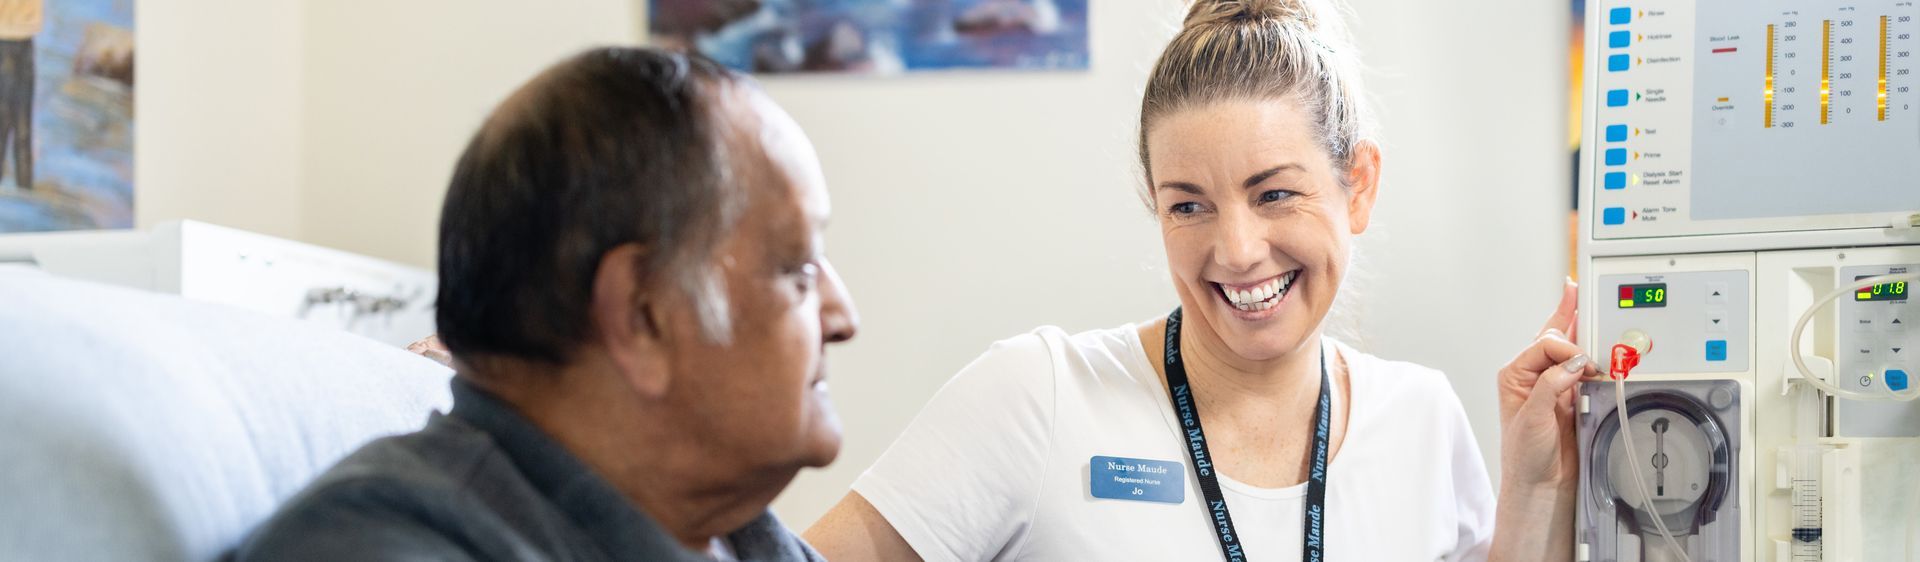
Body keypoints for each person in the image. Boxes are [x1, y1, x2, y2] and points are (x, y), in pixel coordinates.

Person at [802, 0, 1593, 560]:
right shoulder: (1041, 394)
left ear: (1359, 185)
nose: (1238, 250)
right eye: (1190, 206)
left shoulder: (1421, 419)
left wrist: (1533, 488)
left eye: (1274, 192)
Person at [233, 47, 859, 561]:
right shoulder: (380, 546)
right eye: (797, 269)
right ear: (642, 314)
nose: (843, 316)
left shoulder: (739, 535)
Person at [0, 0, 40, 190]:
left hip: (25, 40)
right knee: (6, 121)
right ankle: (24, 191)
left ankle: (25, 190)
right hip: (5, 41)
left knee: (22, 126)